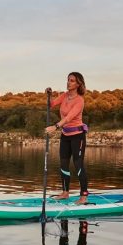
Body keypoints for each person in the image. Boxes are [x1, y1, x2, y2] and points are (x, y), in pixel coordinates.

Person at [45, 72, 89, 204]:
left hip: (78, 137)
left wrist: (55, 126)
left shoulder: (80, 100)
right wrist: (49, 95)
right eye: (68, 80)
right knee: (63, 164)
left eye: (72, 80)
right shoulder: (64, 96)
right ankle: (65, 193)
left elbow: (69, 117)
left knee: (78, 165)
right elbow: (50, 105)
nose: (68, 82)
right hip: (65, 135)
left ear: (78, 84)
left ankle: (84, 196)